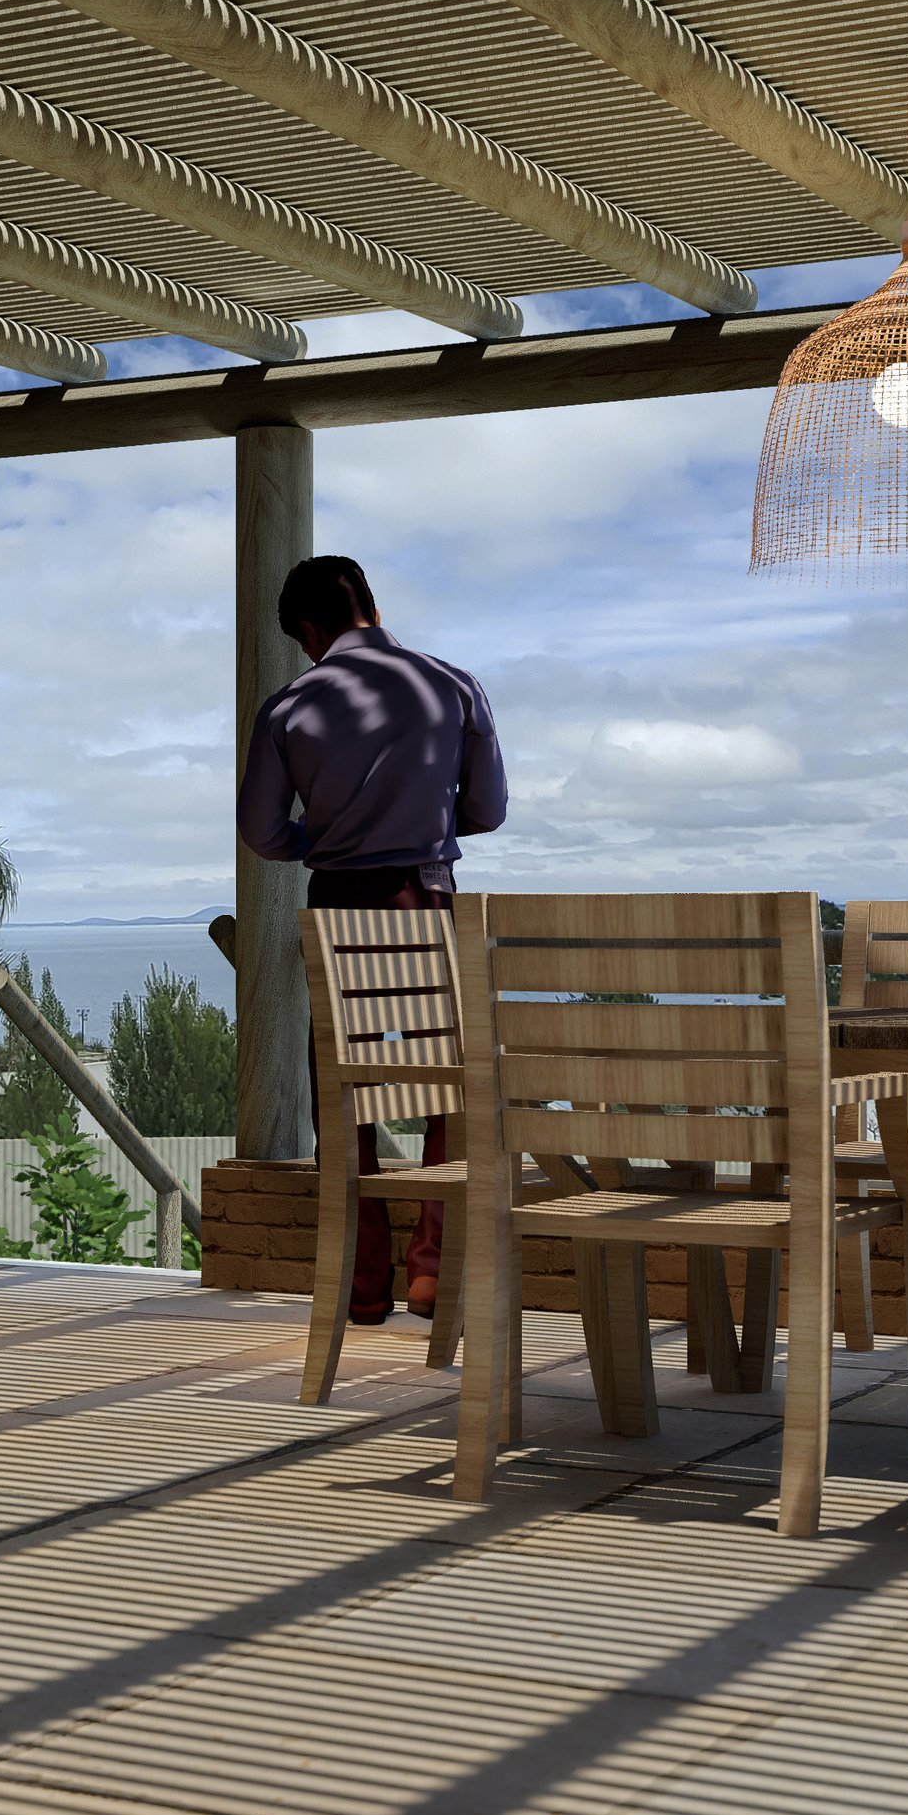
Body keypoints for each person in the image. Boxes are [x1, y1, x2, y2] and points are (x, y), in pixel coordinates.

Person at [236, 555, 508, 1323]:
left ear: (311, 630)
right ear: (372, 606)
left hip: (339, 908)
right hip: (426, 901)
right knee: (446, 1090)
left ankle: (361, 1285)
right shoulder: (455, 685)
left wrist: (319, 836)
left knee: (344, 1094)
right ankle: (430, 1270)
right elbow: (486, 812)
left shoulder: (289, 706)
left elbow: (260, 832)